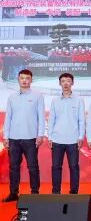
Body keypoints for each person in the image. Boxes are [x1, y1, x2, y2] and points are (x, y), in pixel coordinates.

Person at [2, 69, 45, 202]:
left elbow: (41, 117)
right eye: (22, 78)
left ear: (31, 80)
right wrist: (6, 136)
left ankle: (35, 192)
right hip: (14, 138)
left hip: (31, 138)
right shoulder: (12, 97)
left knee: (32, 167)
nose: (24, 80)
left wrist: (40, 135)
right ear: (18, 80)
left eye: (27, 78)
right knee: (13, 167)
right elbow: (8, 117)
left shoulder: (37, 96)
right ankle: (13, 193)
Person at [48, 72, 85, 195]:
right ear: (60, 83)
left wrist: (81, 137)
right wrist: (50, 137)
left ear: (72, 83)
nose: (66, 83)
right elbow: (51, 119)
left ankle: (74, 192)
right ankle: (56, 192)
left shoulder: (79, 100)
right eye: (63, 81)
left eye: (68, 81)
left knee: (74, 166)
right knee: (56, 167)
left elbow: (81, 120)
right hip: (57, 139)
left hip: (73, 140)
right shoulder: (55, 101)